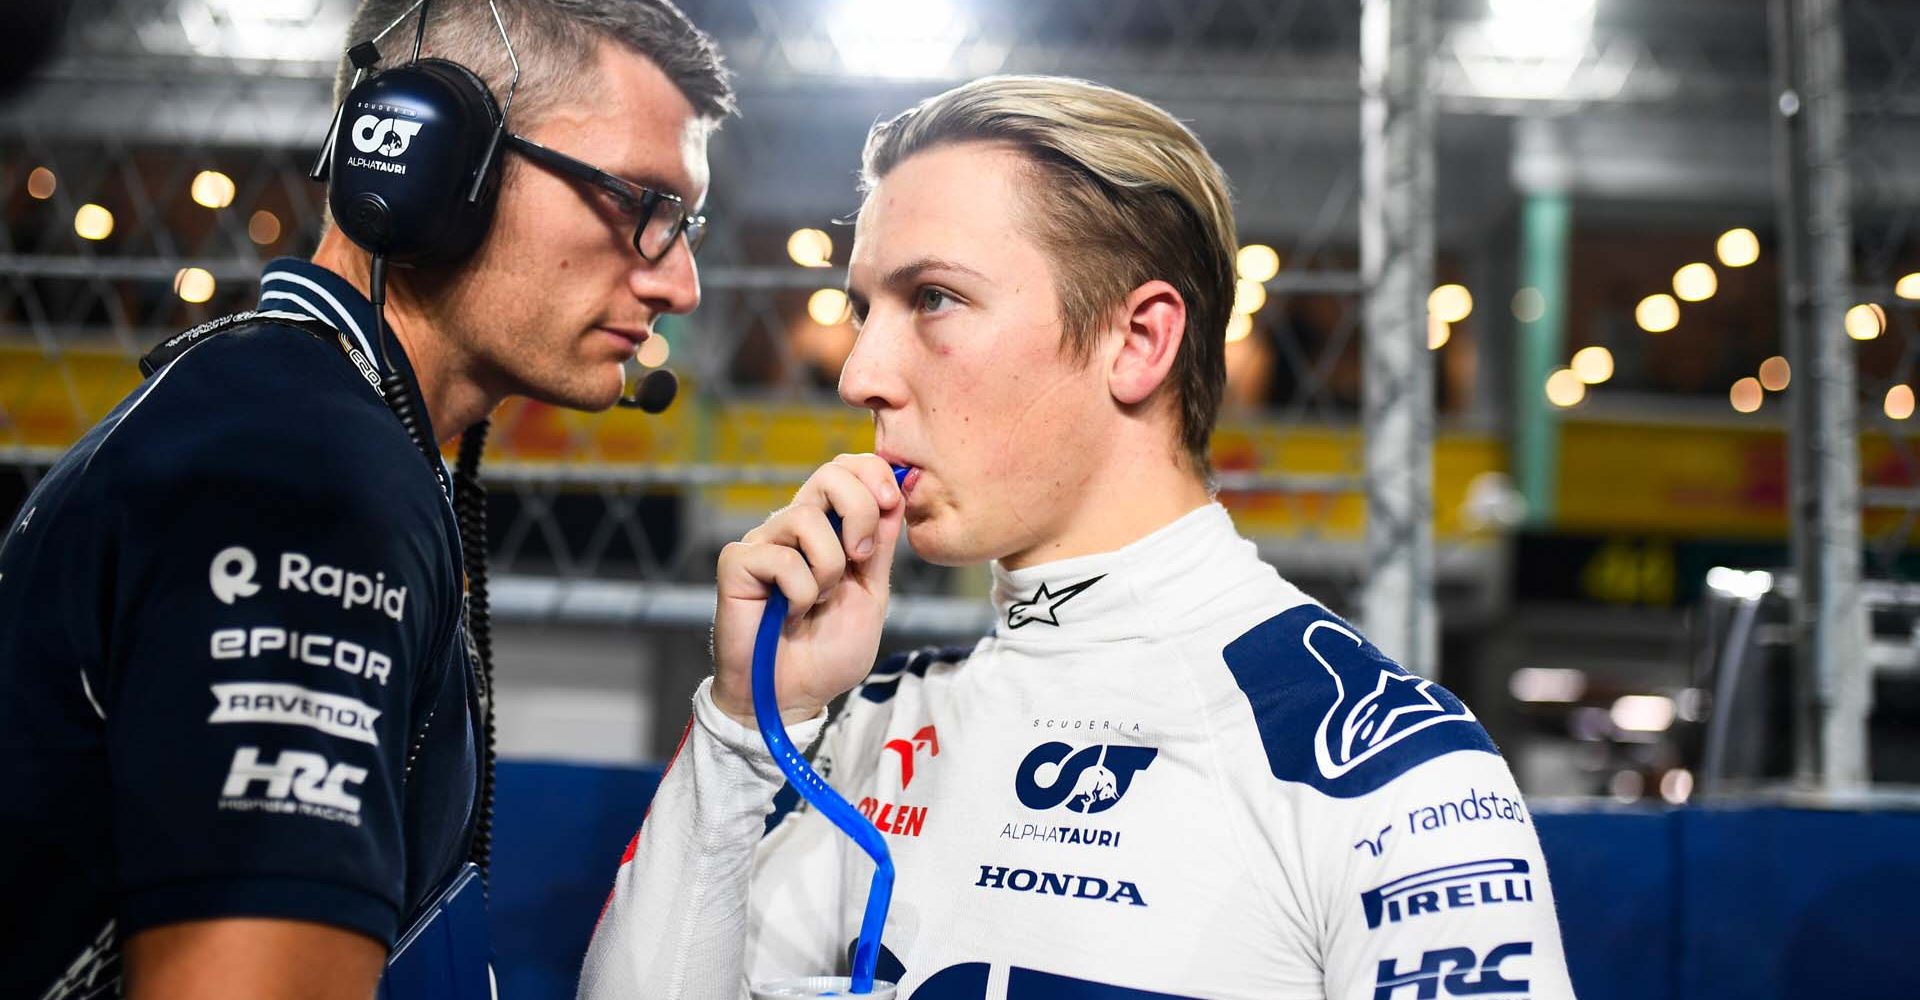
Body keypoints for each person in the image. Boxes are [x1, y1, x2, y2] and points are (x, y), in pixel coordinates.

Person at [580, 75, 1578, 1000]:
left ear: (1137, 341)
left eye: (932, 298)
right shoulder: (865, 728)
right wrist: (748, 723)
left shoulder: (1381, 764)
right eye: (862, 309)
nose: (859, 373)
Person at [0, 1, 728, 996]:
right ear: (431, 165)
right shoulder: (300, 471)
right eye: (644, 202)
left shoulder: (291, 418)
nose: (679, 281)